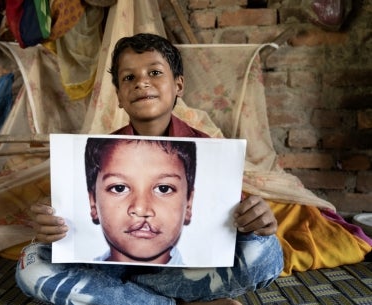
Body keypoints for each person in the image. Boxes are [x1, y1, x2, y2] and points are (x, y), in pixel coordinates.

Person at [16, 33, 283, 305]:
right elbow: (72, 220)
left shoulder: (209, 152)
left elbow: (228, 227)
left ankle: (126, 294)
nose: (142, 81)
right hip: (112, 266)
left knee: (266, 252)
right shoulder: (99, 151)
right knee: (31, 265)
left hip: (185, 270)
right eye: (129, 78)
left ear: (178, 85)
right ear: (119, 96)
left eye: (154, 72)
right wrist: (51, 223)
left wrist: (256, 222)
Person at [85, 137, 197, 265]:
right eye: (119, 188)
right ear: (93, 202)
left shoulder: (211, 281)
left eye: (163, 189)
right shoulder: (71, 278)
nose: (141, 209)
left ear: (188, 203)